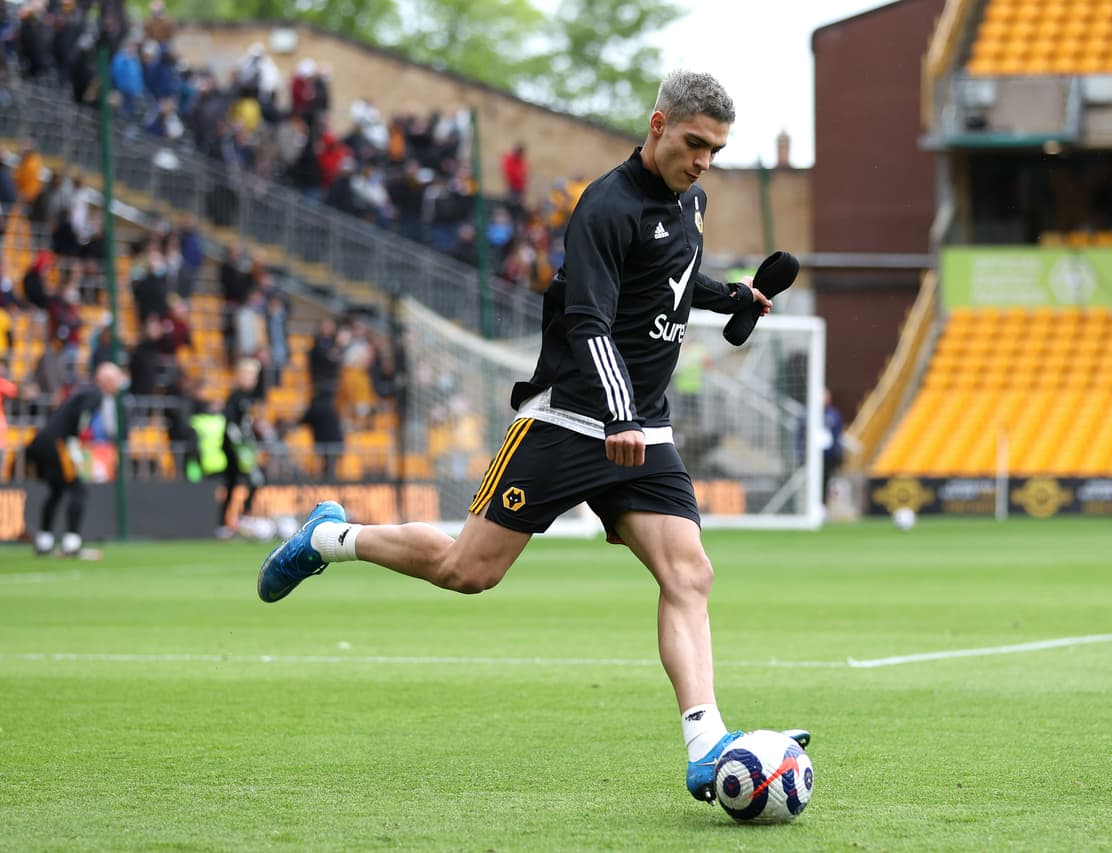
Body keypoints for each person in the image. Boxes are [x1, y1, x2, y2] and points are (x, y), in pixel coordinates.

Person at [255, 71, 809, 803]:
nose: (704, 161)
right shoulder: (604, 207)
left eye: (715, 150)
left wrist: (730, 294)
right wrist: (617, 413)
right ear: (657, 125)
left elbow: (673, 274)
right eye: (694, 143)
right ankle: (330, 537)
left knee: (690, 574)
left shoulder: (692, 201)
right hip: (570, 419)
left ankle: (706, 744)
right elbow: (590, 321)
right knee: (468, 568)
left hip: (643, 427)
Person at [24, 362, 125, 556]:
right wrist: (79, 440)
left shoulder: (83, 391)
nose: (118, 386)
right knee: (78, 489)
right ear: (106, 380)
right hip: (57, 443)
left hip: (41, 441)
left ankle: (44, 542)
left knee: (57, 491)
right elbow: (82, 418)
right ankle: (71, 543)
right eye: (116, 381)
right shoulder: (95, 394)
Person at [218, 358, 266, 538]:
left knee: (246, 482)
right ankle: (232, 522)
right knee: (243, 481)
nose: (252, 380)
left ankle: (237, 520)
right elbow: (231, 425)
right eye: (249, 375)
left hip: (244, 447)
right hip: (236, 449)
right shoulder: (235, 396)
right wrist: (240, 448)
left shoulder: (248, 397)